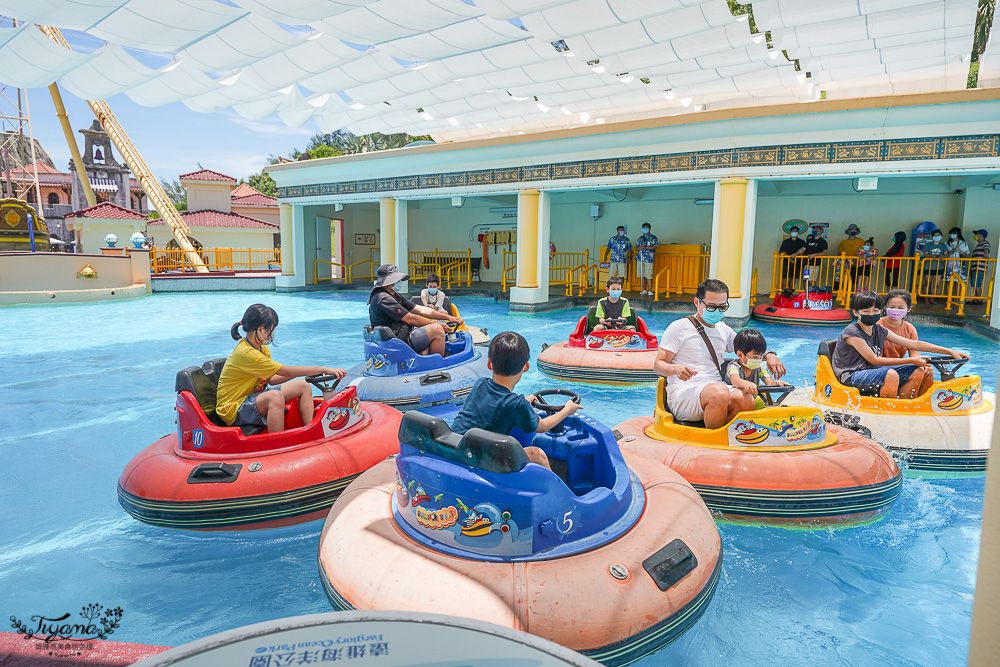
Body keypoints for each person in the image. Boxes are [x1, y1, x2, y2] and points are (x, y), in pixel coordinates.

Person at [653, 279, 786, 429]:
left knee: (746, 399)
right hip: (684, 392)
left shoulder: (723, 329)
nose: (717, 311)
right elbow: (658, 365)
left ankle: (722, 435)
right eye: (711, 306)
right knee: (719, 392)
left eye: (722, 307)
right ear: (697, 302)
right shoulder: (679, 327)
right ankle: (713, 438)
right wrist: (675, 369)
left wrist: (769, 355)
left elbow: (748, 348)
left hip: (716, 388)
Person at [451, 332, 581, 469]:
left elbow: (492, 407)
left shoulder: (480, 384)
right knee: (537, 454)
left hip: (456, 450)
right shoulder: (517, 404)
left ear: (489, 363)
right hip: (480, 461)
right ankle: (555, 490)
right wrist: (567, 410)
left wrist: (524, 402)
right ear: (526, 367)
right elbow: (542, 426)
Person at [216, 304, 346, 433]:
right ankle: (278, 443)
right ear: (260, 329)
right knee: (274, 396)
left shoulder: (261, 347)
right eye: (271, 330)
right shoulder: (246, 353)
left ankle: (311, 431)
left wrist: (297, 374)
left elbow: (272, 379)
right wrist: (323, 369)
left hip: (251, 397)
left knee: (303, 385)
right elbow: (286, 371)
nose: (272, 334)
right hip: (233, 409)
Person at [831, 291, 967, 399]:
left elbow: (914, 344)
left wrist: (950, 352)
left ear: (880, 311)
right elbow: (874, 360)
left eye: (875, 311)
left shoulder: (879, 330)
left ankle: (906, 406)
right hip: (852, 375)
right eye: (866, 311)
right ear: (856, 312)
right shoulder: (852, 332)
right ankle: (888, 410)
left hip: (871, 371)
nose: (871, 314)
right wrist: (912, 360)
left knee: (917, 370)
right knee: (891, 375)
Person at [368, 264, 462, 356]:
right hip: (393, 343)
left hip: (400, 336)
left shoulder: (395, 296)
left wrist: (449, 317)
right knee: (437, 330)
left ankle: (424, 361)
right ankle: (436, 367)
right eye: (397, 279)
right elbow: (411, 319)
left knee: (427, 331)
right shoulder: (383, 298)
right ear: (389, 282)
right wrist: (437, 324)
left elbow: (421, 310)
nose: (400, 281)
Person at [725, 329, 787, 411]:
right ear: (740, 354)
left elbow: (769, 382)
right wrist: (745, 384)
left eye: (761, 356)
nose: (758, 359)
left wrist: (777, 383)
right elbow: (735, 380)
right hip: (734, 402)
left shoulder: (759, 366)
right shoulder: (733, 366)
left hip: (752, 400)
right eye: (755, 357)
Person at [879, 289, 920, 359]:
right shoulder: (877, 324)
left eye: (900, 308)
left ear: (909, 308)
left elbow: (914, 352)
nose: (896, 310)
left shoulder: (910, 328)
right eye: (892, 307)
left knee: (921, 369)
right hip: (879, 365)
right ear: (885, 306)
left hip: (899, 365)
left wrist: (923, 364)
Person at [918, 229, 949, 303]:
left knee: (937, 284)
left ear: (941, 236)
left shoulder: (943, 245)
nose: (937, 237)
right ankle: (926, 298)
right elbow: (925, 254)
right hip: (928, 267)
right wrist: (932, 256)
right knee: (927, 284)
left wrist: (943, 256)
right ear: (932, 237)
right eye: (935, 235)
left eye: (938, 235)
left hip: (939, 267)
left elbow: (946, 254)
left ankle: (932, 298)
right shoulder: (928, 244)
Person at [837, 224, 865, 290]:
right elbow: (839, 253)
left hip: (858, 264)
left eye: (854, 230)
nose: (853, 231)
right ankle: (845, 294)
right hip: (846, 264)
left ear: (857, 231)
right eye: (851, 230)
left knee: (856, 280)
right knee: (845, 279)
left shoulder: (861, 241)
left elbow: (863, 251)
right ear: (848, 231)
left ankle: (854, 294)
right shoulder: (843, 242)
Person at [634, 222, 658, 296]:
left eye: (646, 228)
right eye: (644, 228)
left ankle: (650, 290)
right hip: (641, 258)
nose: (645, 230)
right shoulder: (640, 238)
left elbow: (655, 246)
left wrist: (646, 247)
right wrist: (639, 248)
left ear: (650, 229)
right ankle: (644, 289)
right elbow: (636, 247)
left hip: (649, 259)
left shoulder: (653, 238)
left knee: (649, 274)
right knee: (642, 274)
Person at [969, 229, 991, 304]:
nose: (975, 236)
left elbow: (986, 248)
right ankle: (975, 299)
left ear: (981, 235)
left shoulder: (985, 243)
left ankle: (979, 299)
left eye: (977, 234)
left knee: (977, 283)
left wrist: (985, 254)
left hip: (979, 267)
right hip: (974, 268)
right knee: (974, 283)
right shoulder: (978, 245)